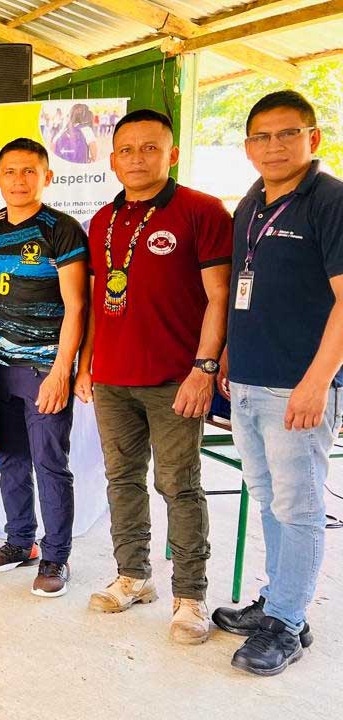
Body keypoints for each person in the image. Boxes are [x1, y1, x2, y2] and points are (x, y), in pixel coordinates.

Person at [74, 109, 232, 644]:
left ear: (172, 153)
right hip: (113, 380)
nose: (137, 158)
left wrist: (203, 369)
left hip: (175, 380)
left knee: (179, 486)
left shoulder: (202, 211)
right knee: (122, 481)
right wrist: (87, 364)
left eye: (149, 148)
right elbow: (98, 300)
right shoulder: (102, 220)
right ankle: (134, 576)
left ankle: (190, 595)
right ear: (112, 158)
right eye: (126, 149)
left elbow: (219, 297)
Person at [214, 90, 343, 676]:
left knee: (299, 505)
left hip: (299, 386)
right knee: (268, 498)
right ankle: (280, 602)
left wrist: (319, 380)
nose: (274, 146)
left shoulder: (330, 200)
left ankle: (288, 623)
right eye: (262, 137)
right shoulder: (252, 203)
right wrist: (226, 360)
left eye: (287, 133)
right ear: (247, 147)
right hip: (249, 379)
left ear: (313, 138)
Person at [0, 138, 88, 598]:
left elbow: (77, 307)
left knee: (50, 464)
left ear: (47, 177)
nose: (19, 180)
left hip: (44, 368)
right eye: (10, 172)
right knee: (13, 461)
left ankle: (56, 555)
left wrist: (64, 370)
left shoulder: (62, 229)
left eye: (29, 171)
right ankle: (20, 542)